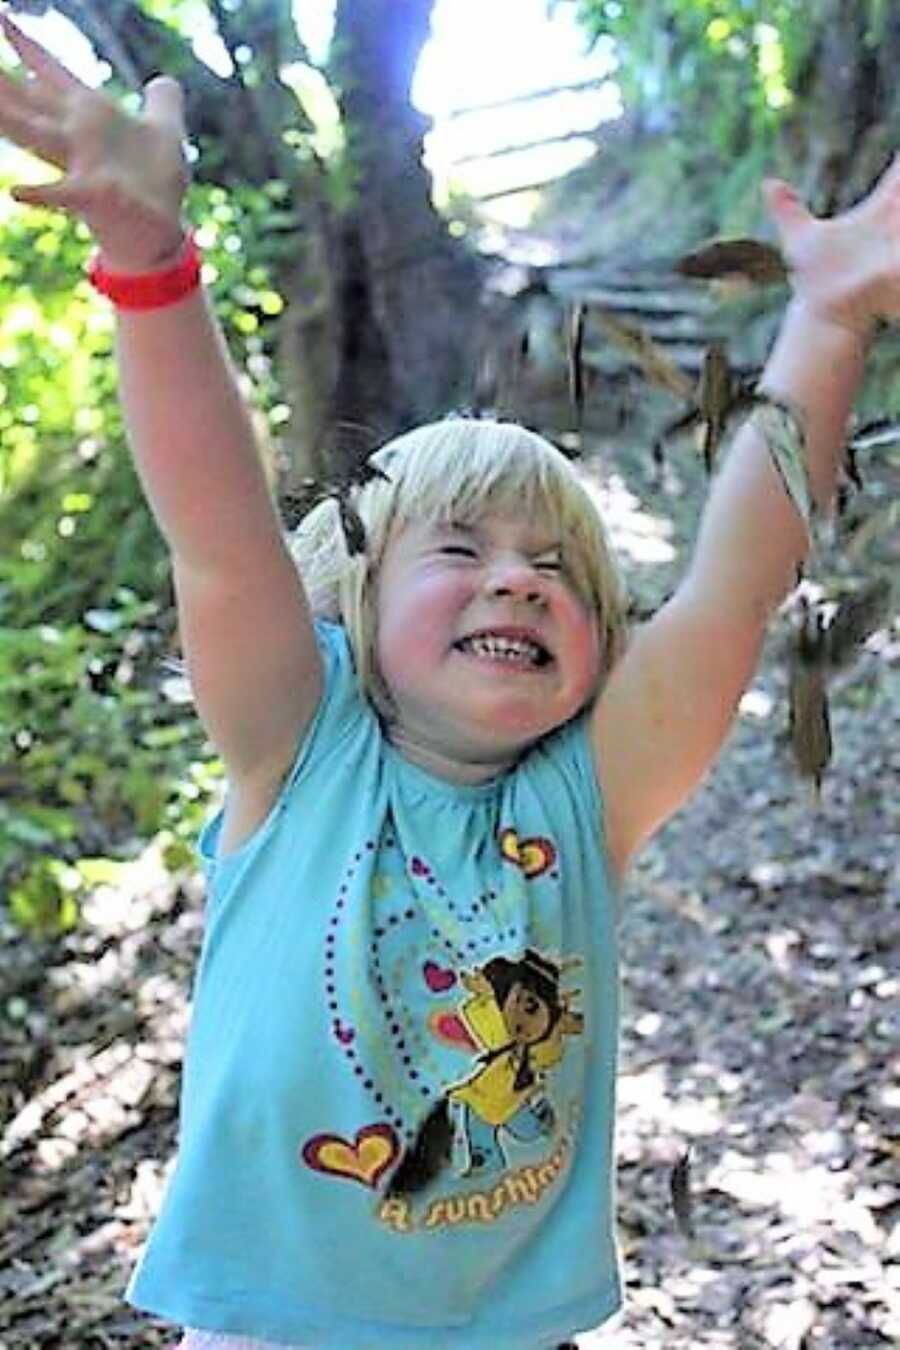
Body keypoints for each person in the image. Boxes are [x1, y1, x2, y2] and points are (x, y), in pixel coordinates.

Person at [0, 12, 897, 1349]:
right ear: (352, 612)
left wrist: (828, 317)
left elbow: (733, 582)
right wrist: (150, 263)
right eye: (460, 551)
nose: (519, 581)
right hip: (268, 1329)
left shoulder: (589, 796)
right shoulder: (299, 749)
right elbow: (222, 538)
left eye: (558, 573)